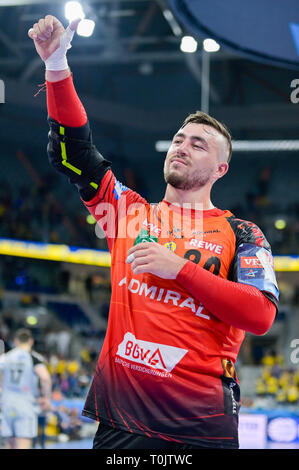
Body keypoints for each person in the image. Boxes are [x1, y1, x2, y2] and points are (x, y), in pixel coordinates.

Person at [28, 16, 279, 449]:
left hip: (202, 428)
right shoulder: (126, 212)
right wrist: (56, 66)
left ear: (221, 169)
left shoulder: (242, 232)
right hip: (121, 422)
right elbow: (74, 153)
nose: (182, 146)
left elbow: (260, 315)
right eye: (179, 139)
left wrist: (179, 269)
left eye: (198, 144)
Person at [0, 328, 52, 449]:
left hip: (7, 404)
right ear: (31, 341)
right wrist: (46, 398)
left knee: (9, 444)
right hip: (25, 405)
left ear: (16, 341)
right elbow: (45, 378)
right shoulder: (34, 357)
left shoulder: (6, 357)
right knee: (23, 443)